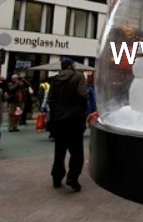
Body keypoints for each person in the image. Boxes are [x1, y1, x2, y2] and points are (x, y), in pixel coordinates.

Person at [48, 58, 88, 191]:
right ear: (70, 66)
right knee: (76, 152)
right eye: (74, 64)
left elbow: (51, 100)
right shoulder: (78, 77)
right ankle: (73, 177)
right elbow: (83, 95)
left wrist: (55, 115)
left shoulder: (55, 79)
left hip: (59, 120)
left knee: (59, 151)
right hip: (75, 119)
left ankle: (57, 178)